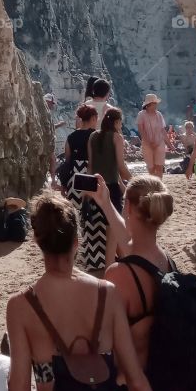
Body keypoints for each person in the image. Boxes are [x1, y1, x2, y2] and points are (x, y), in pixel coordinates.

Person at [5, 191, 156, 391]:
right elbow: (136, 381)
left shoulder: (20, 307)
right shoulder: (107, 294)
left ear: (37, 242)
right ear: (77, 241)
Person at [103, 175, 176, 383]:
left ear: (128, 207)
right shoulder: (167, 262)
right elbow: (131, 246)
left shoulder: (119, 274)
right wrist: (106, 203)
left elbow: (105, 341)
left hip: (132, 387)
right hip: (167, 380)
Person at [87, 107, 132, 270]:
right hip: (110, 188)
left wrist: (86, 192)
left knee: (109, 227)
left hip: (95, 185)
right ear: (117, 122)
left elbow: (91, 166)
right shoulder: (117, 138)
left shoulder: (93, 136)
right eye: (121, 122)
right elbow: (120, 166)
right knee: (113, 229)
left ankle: (125, 262)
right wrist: (135, 180)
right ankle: (109, 268)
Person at [136, 94, 167, 178]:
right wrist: (149, 143)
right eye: (155, 103)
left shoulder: (159, 114)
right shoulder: (141, 114)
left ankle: (159, 186)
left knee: (159, 167)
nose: (156, 105)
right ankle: (153, 186)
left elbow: (163, 131)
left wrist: (170, 145)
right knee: (151, 168)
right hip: (147, 144)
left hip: (159, 143)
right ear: (148, 104)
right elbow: (141, 131)